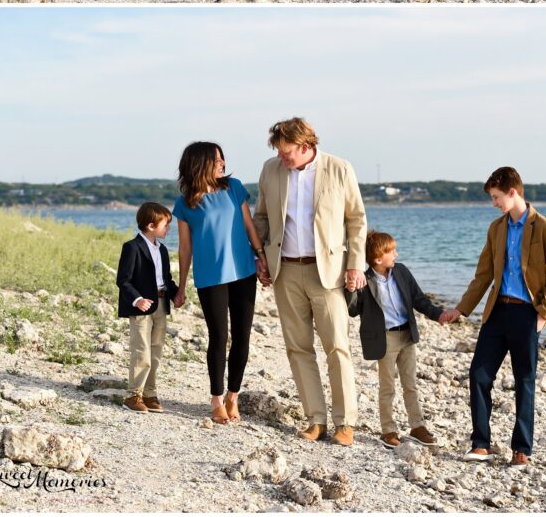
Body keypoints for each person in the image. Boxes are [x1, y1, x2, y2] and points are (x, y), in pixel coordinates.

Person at [440, 166, 546, 466]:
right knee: (479, 374)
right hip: (497, 313)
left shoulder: (545, 226)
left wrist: (542, 316)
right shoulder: (496, 229)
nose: (494, 203)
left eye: (496, 197)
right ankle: (481, 444)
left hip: (527, 314)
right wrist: (461, 308)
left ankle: (521, 449)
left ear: (513, 192)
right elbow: (483, 274)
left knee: (524, 380)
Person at [252, 117, 367, 446]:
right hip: (285, 271)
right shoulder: (270, 170)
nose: (282, 158)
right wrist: (259, 257)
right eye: (278, 151)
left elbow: (356, 221)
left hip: (328, 273)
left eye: (287, 152)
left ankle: (345, 422)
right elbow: (261, 217)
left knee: (337, 347)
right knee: (298, 348)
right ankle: (315, 419)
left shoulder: (339, 168)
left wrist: (355, 265)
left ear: (306, 146)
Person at [173, 141, 268, 424]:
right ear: (199, 163)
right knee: (218, 337)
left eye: (222, 159)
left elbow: (249, 226)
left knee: (242, 337)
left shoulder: (234, 187)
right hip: (210, 278)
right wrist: (180, 286)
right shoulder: (186, 202)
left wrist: (261, 256)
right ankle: (215, 399)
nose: (222, 164)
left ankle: (232, 396)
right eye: (216, 160)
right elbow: (185, 249)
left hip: (244, 272)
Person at [346, 230, 443, 448]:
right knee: (387, 386)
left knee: (410, 384)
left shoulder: (402, 272)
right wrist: (351, 288)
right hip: (384, 339)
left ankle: (417, 426)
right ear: (378, 259)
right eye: (392, 252)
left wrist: (438, 315)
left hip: (406, 335)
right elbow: (353, 310)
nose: (397, 255)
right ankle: (388, 430)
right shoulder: (365, 279)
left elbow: (419, 299)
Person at [116, 202, 182, 413]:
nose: (169, 228)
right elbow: (123, 280)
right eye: (166, 224)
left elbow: (166, 279)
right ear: (151, 225)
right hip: (141, 308)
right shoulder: (131, 247)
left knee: (156, 352)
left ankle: (149, 393)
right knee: (141, 351)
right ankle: (133, 395)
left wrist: (176, 294)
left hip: (161, 304)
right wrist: (137, 300)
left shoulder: (162, 250)